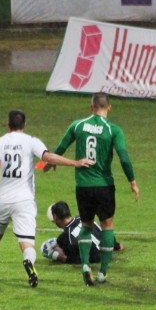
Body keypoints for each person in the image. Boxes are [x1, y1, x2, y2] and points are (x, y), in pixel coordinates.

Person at [0, 109, 92, 287]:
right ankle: (29, 263)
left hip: (2, 200)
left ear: (8, 125)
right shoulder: (31, 141)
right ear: (25, 125)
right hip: (24, 201)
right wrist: (75, 163)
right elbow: (48, 157)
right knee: (27, 242)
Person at [45, 92, 139, 286]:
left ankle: (86, 265)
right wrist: (132, 181)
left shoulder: (77, 125)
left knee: (86, 226)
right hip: (104, 186)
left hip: (83, 187)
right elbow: (123, 157)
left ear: (91, 107)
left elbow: (62, 146)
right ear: (109, 107)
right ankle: (102, 272)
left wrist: (51, 162)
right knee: (107, 226)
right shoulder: (113, 130)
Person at [43, 200, 123, 264]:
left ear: (55, 217)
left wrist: (60, 257)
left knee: (47, 248)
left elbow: (74, 258)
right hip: (108, 246)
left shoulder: (64, 237)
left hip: (97, 257)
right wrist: (117, 245)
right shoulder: (83, 218)